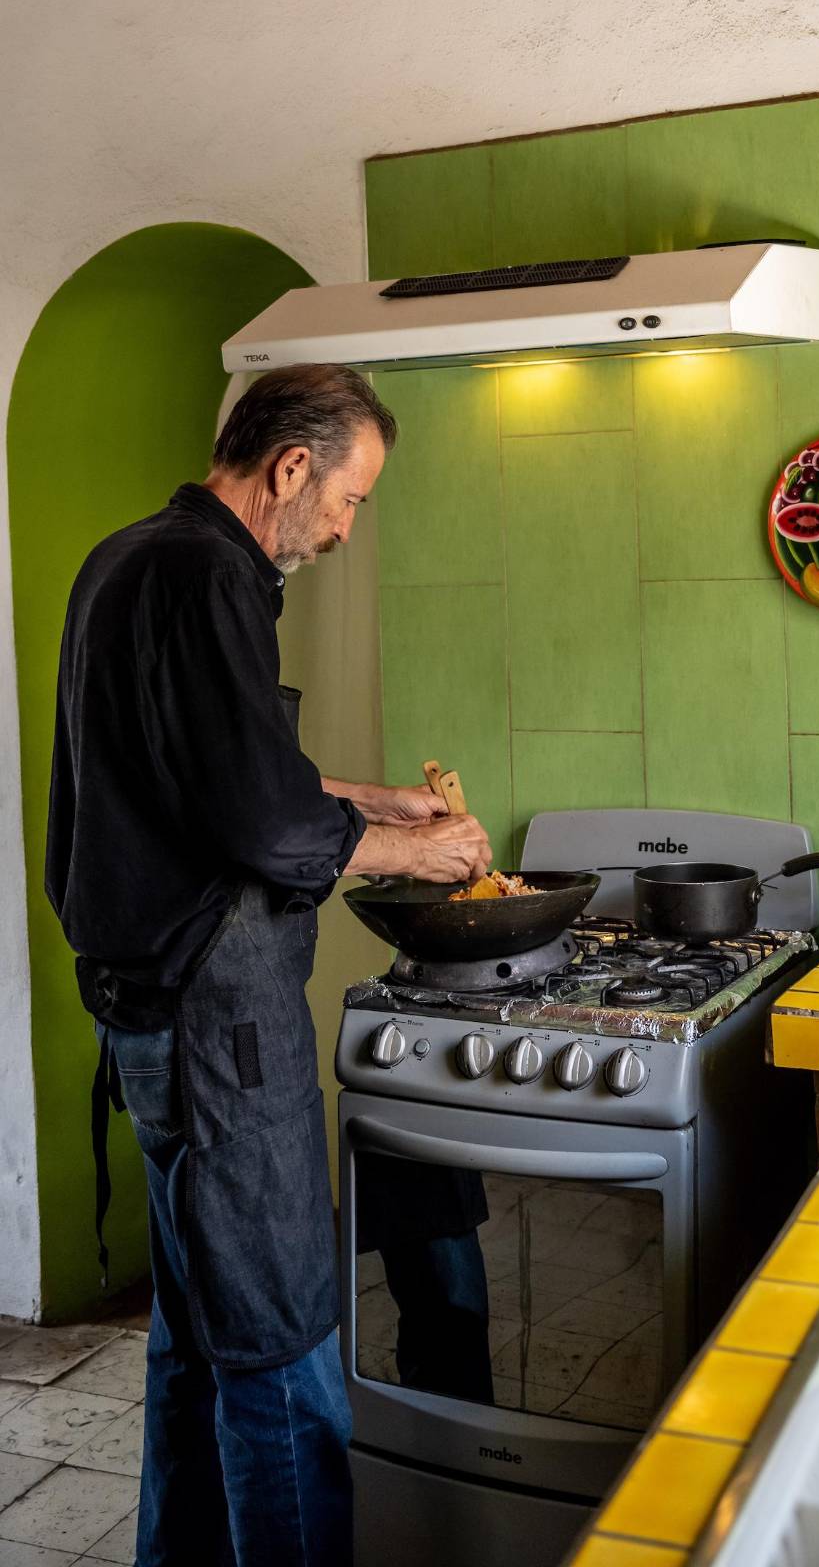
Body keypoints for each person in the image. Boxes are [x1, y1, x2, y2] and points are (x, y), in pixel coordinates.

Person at [45, 363, 491, 1567]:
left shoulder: (126, 558)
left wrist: (373, 796)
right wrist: (419, 849)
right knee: (284, 1346)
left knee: (195, 1339)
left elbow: (215, 769)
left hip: (151, 1018)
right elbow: (256, 819)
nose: (344, 529)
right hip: (218, 1030)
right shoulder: (207, 574)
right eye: (347, 499)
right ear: (292, 466)